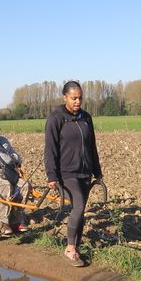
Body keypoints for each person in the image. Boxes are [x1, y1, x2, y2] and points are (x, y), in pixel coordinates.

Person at [44, 81, 103, 267]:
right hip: (66, 173)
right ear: (65, 97)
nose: (78, 101)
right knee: (78, 205)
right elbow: (50, 149)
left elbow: (92, 146)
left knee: (81, 210)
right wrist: (51, 176)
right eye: (74, 98)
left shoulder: (86, 117)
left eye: (80, 98)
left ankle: (76, 248)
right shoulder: (56, 118)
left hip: (84, 172)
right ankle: (69, 248)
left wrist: (97, 172)